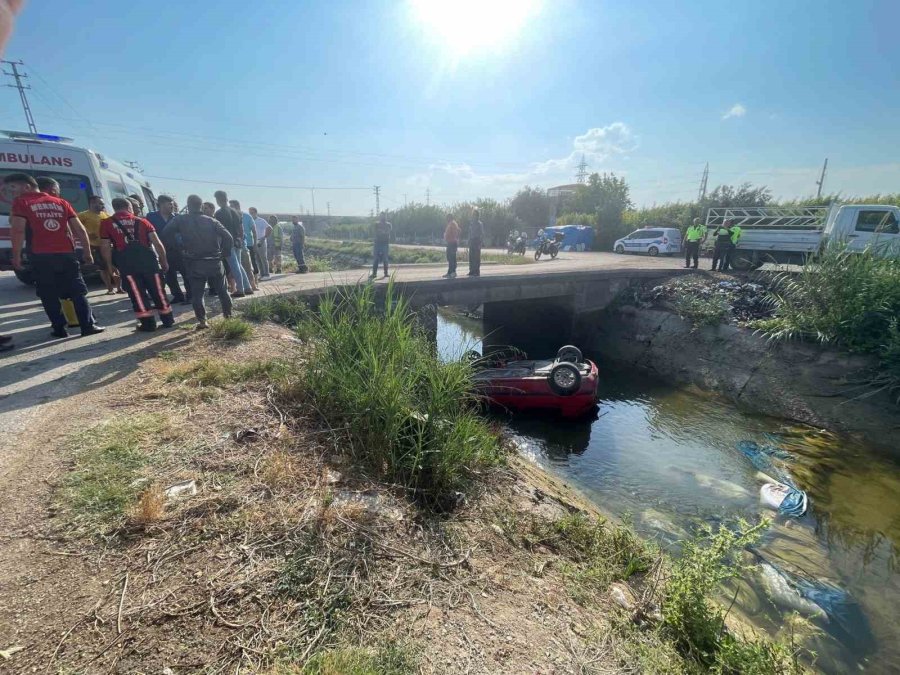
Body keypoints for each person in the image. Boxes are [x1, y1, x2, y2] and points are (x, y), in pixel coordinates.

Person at [4, 173, 104, 338]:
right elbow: (79, 230)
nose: (10, 192)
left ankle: (59, 329)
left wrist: (16, 256)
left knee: (48, 293)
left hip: (40, 255)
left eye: (12, 188)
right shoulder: (62, 203)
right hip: (67, 255)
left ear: (27, 186)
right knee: (77, 291)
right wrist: (87, 252)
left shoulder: (22, 202)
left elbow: (18, 230)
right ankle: (88, 326)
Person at [99, 198, 174, 331]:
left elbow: (105, 247)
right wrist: (164, 261)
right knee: (158, 291)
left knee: (137, 293)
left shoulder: (107, 223)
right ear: (129, 207)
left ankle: (148, 324)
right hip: (149, 262)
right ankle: (168, 320)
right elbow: (157, 243)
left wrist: (110, 267)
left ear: (114, 208)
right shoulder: (142, 221)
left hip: (127, 265)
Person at [162, 194, 234, 329]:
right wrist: (224, 254)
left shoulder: (180, 220)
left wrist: (178, 248)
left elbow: (165, 233)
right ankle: (228, 317)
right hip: (214, 261)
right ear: (201, 206)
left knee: (197, 294)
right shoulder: (211, 221)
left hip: (194, 261)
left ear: (188, 206)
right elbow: (228, 237)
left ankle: (202, 322)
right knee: (223, 291)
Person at [147, 194, 189, 303]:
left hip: (179, 250)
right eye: (169, 204)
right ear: (161, 204)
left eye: (172, 204)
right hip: (163, 251)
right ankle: (177, 295)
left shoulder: (177, 217)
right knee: (169, 275)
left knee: (186, 273)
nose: (172, 206)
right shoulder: (151, 217)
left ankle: (190, 295)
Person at [76, 194, 122, 294]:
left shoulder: (106, 215)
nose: (102, 205)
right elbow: (75, 227)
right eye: (100, 203)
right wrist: (87, 234)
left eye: (102, 203)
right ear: (92, 203)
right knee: (104, 268)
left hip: (108, 246)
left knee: (114, 267)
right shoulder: (83, 215)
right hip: (95, 246)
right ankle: (110, 288)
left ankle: (119, 288)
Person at [213, 190, 252, 297]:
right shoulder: (237, 212)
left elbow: (219, 231)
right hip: (238, 241)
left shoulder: (219, 213)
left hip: (227, 242)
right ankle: (247, 287)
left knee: (234, 266)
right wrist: (240, 238)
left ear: (218, 200)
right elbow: (241, 228)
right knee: (238, 265)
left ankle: (240, 289)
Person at [230, 199, 258, 289]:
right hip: (234, 245)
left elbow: (254, 231)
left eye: (231, 206)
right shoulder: (229, 216)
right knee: (234, 267)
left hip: (247, 244)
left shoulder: (246, 216)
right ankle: (234, 287)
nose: (230, 208)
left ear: (237, 206)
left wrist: (255, 244)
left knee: (248, 266)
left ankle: (253, 286)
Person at [249, 207, 271, 280]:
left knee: (263, 258)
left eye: (252, 213)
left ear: (255, 213)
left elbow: (269, 228)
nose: (251, 214)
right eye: (250, 213)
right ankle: (262, 274)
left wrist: (264, 237)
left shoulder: (261, 220)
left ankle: (267, 274)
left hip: (260, 241)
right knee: (257, 259)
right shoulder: (250, 221)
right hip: (254, 241)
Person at [370, 212, 391, 279]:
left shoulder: (389, 224)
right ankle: (374, 274)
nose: (383, 217)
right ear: (380, 217)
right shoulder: (376, 224)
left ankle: (386, 273)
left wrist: (382, 232)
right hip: (377, 244)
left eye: (384, 216)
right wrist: (383, 232)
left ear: (386, 217)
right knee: (376, 259)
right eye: (381, 216)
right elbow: (377, 232)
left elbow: (387, 232)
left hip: (385, 243)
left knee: (385, 259)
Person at [443, 213, 460, 279]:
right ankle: (450, 272)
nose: (446, 219)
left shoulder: (453, 224)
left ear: (450, 217)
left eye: (447, 218)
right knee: (449, 258)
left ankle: (453, 272)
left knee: (452, 258)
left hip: (452, 243)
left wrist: (448, 236)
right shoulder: (451, 223)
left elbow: (455, 233)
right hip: (450, 242)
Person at [467, 208, 484, 277]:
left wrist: (480, 243)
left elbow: (482, 234)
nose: (473, 216)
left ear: (477, 216)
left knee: (476, 257)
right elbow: (469, 233)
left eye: (475, 215)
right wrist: (468, 240)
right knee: (471, 257)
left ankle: (477, 271)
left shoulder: (480, 224)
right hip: (471, 241)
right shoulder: (471, 223)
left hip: (477, 241)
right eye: (473, 215)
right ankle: (471, 271)